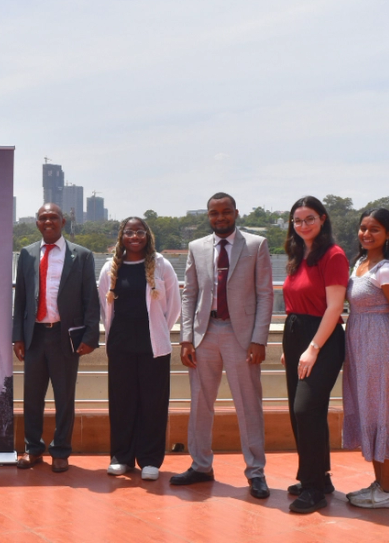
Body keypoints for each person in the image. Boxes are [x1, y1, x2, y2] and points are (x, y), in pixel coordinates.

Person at [172, 193, 273, 499]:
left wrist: (259, 339)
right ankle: (201, 465)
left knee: (248, 405)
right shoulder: (197, 247)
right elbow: (189, 294)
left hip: (241, 337)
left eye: (225, 212)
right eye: (214, 213)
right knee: (200, 403)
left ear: (236, 213)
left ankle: (255, 472)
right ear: (208, 216)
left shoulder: (256, 245)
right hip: (205, 334)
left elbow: (265, 294)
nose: (220, 218)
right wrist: (186, 338)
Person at [13, 203, 100, 473]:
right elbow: (21, 298)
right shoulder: (27, 254)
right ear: (37, 223)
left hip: (65, 336)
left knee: (64, 398)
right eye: (43, 218)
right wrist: (17, 337)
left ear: (63, 222)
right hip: (35, 336)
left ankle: (61, 451)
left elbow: (90, 298)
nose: (48, 221)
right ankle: (33, 449)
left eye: (53, 217)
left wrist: (90, 336)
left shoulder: (81, 255)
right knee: (32, 397)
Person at [97, 217, 180, 481]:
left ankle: (150, 459)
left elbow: (174, 306)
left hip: (153, 346)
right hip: (120, 344)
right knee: (122, 402)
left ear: (147, 235)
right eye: (129, 232)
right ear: (122, 236)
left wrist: (159, 330)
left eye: (140, 231)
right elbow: (104, 308)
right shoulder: (109, 268)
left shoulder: (162, 265)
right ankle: (121, 456)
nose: (135, 236)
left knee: (153, 403)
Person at [281, 196, 348, 513]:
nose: (303, 225)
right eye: (297, 220)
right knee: (303, 411)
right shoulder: (297, 254)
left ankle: (313, 490)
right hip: (296, 335)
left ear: (322, 219)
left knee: (306, 409)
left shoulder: (333, 255)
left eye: (309, 219)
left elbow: (334, 308)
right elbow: (294, 301)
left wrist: (312, 348)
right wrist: (292, 347)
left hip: (322, 338)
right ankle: (319, 477)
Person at [343, 208, 389, 509]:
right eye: (363, 228)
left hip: (381, 349)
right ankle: (379, 483)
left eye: (374, 229)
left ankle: (388, 490)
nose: (366, 234)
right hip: (359, 350)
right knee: (371, 414)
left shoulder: (387, 270)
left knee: (385, 415)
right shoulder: (359, 264)